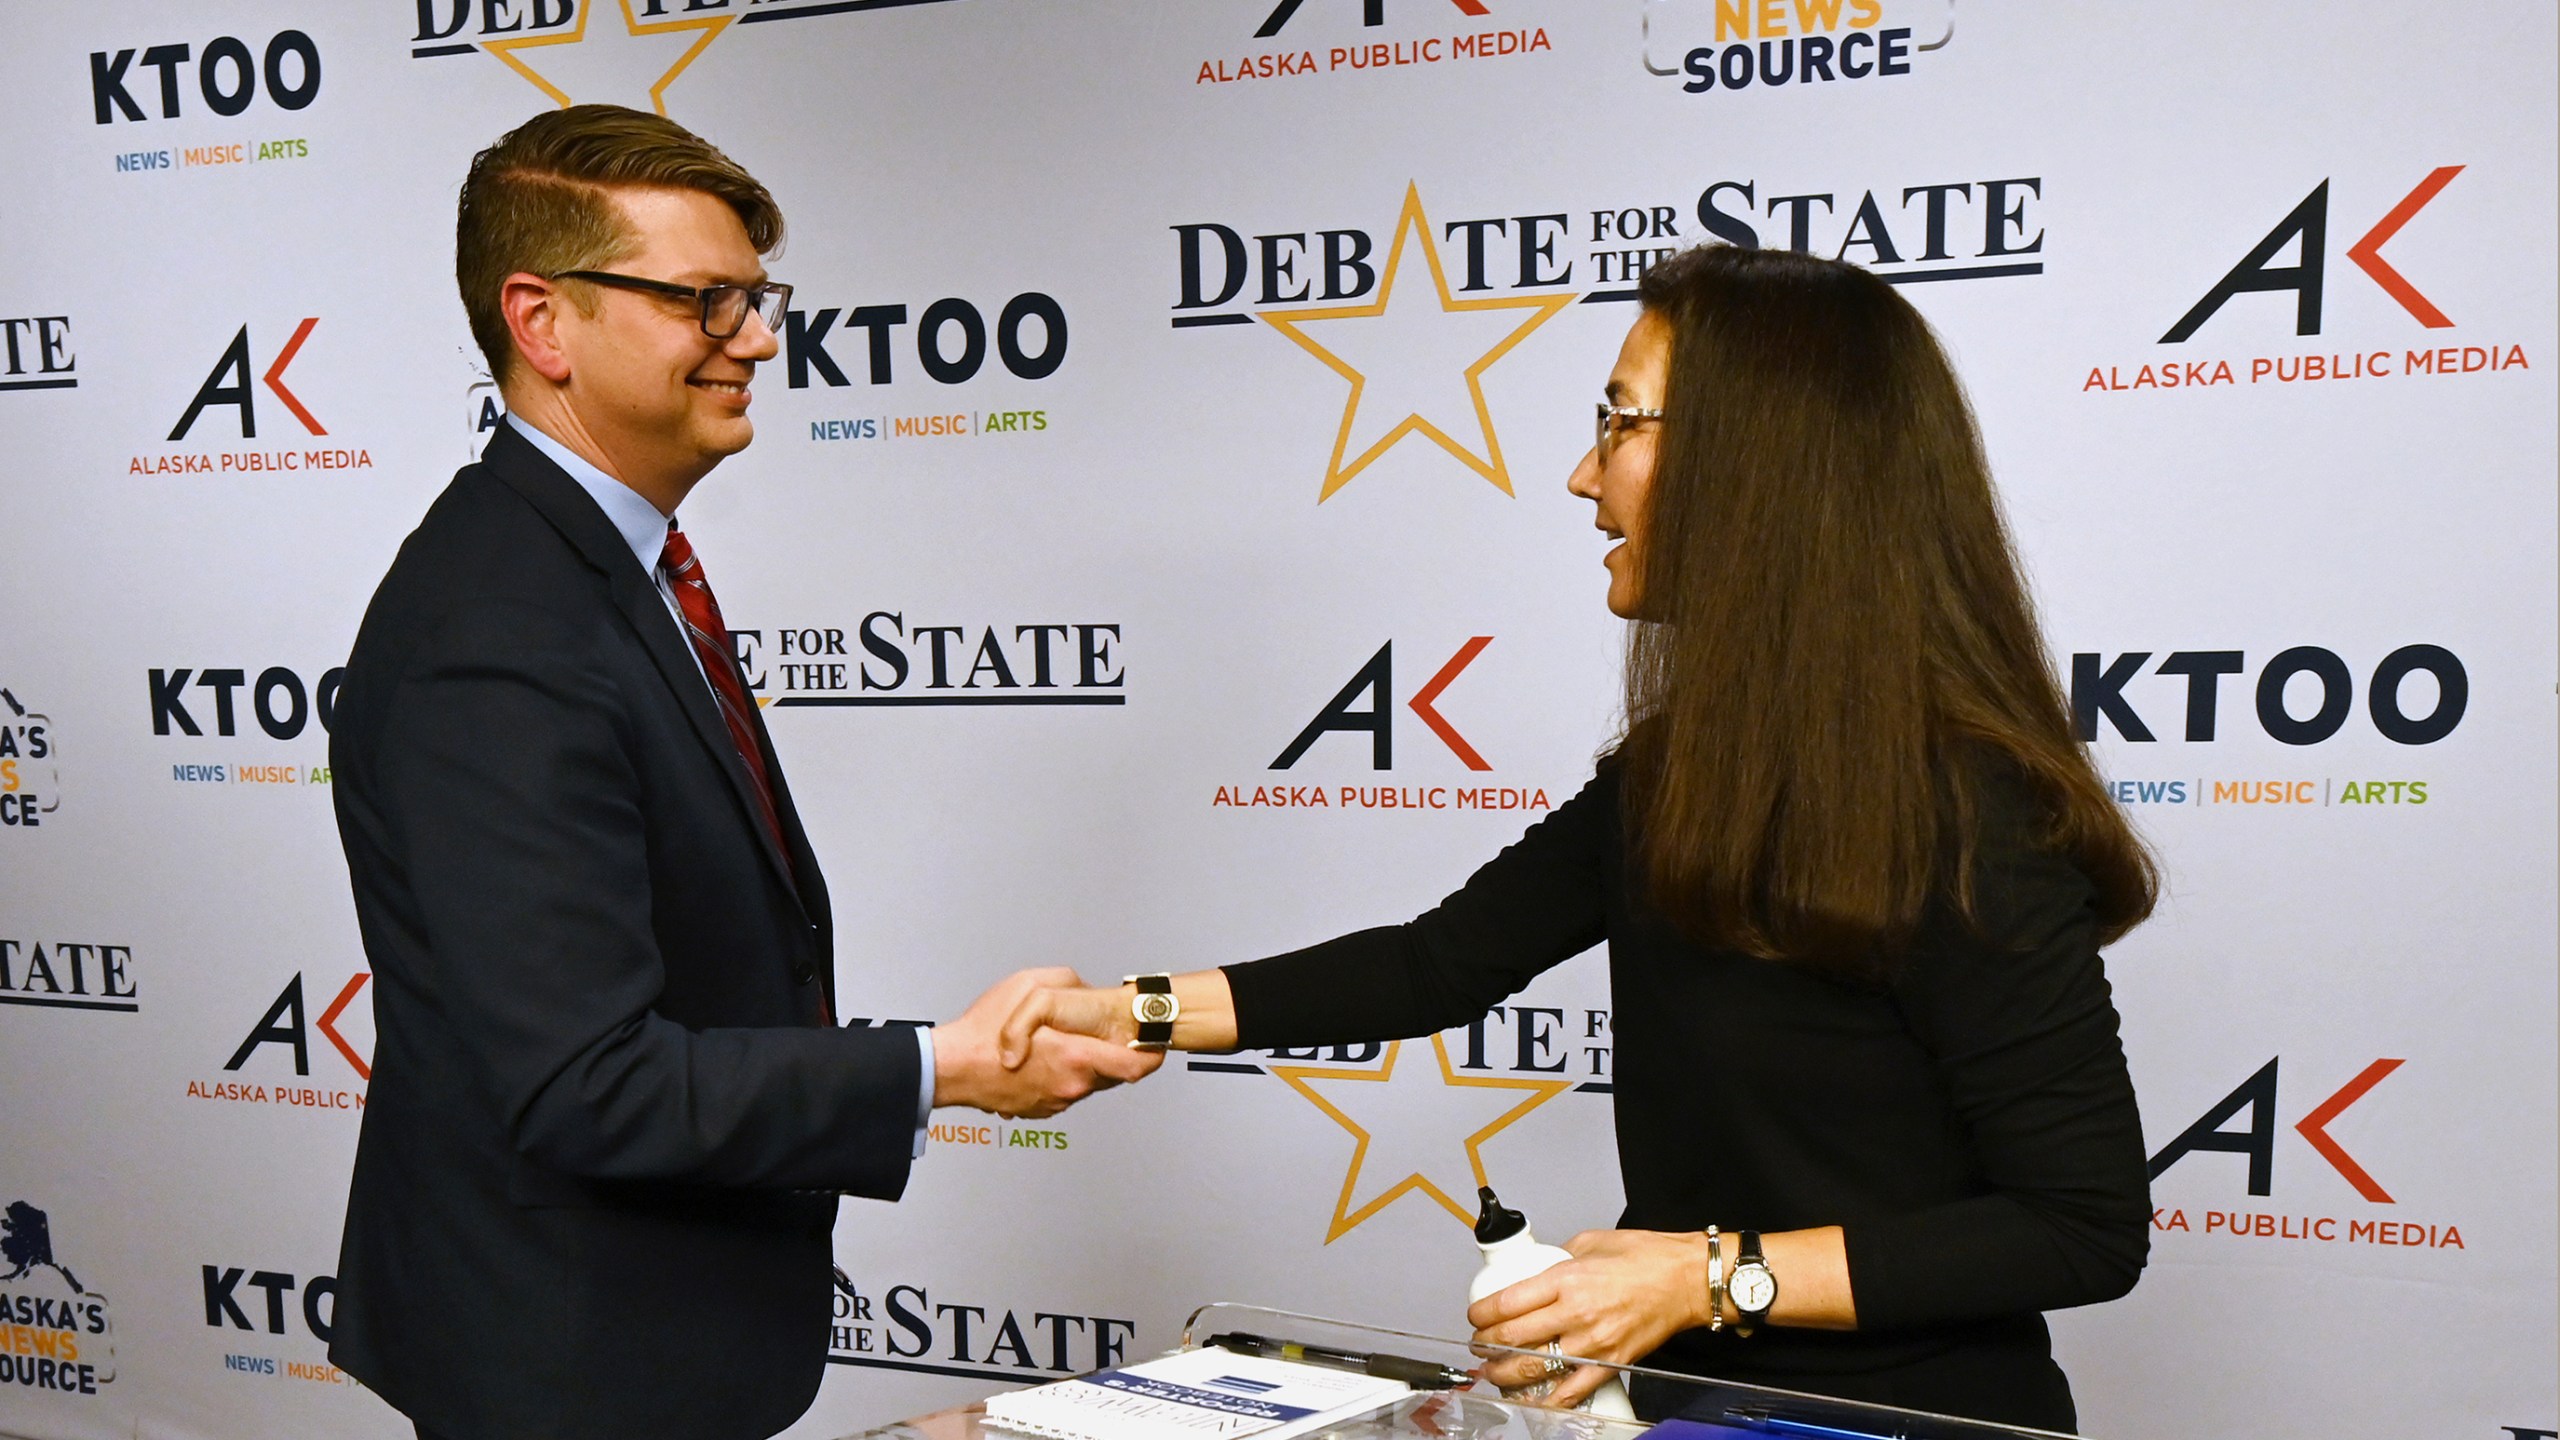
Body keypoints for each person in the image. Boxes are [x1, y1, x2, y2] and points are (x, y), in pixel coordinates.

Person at [999, 245, 2157, 1433]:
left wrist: (1703, 1276)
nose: (1577, 475)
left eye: (1619, 421)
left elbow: (2080, 1225)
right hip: (1694, 1409)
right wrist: (1124, 1012)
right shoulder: (1680, 773)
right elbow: (1432, 965)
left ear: (1762, 460)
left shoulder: (1972, 810)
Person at [326, 105, 1157, 1440]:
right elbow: (583, 1083)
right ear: (544, 324)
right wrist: (936, 1068)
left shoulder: (596, 576)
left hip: (647, 1339)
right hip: (567, 1367)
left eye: (758, 300)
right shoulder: (495, 635)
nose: (759, 341)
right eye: (704, 303)